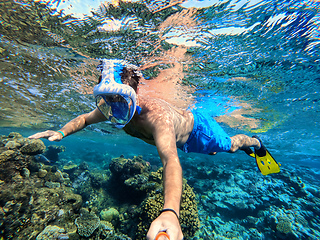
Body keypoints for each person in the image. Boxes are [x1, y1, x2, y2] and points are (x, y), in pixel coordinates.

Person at [29, 59, 279, 240]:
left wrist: (170, 212)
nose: (114, 110)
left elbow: (170, 160)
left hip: (198, 133)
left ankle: (255, 142)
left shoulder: (156, 117)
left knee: (230, 147)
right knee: (215, 153)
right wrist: (60, 132)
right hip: (183, 140)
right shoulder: (111, 105)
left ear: (134, 94)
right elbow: (84, 119)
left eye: (120, 101)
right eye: (107, 100)